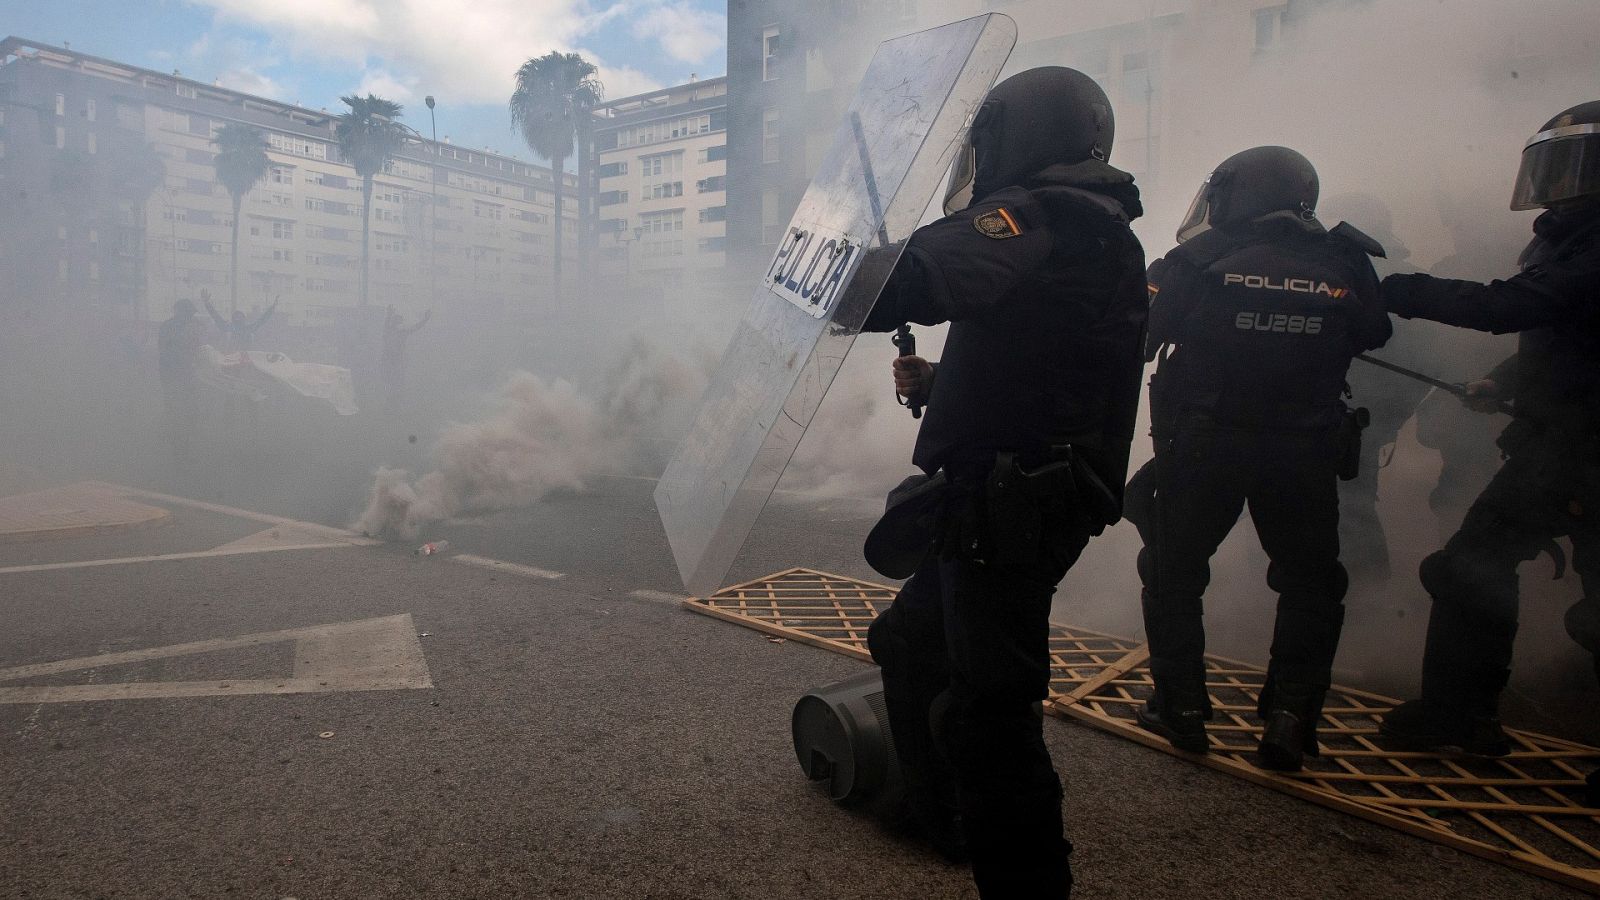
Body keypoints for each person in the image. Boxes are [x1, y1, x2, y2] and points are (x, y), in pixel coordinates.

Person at [861, 66, 1148, 897]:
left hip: (1010, 506)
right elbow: (1041, 365)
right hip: (1006, 493)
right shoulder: (1090, 229)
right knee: (909, 643)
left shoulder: (1049, 213)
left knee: (989, 715)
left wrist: (850, 263)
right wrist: (941, 381)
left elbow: (907, 281)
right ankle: (944, 813)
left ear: (1016, 138)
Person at [1131, 146, 1391, 772]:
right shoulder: (1345, 257)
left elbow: (1138, 335)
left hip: (1205, 447)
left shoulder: (1197, 258)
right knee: (1311, 583)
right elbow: (1373, 331)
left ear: (1233, 196)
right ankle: (1291, 718)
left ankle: (1182, 708)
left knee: (1173, 570)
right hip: (1303, 451)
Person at [1376, 101, 1600, 762]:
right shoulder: (1577, 242)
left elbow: (1513, 305)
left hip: (1586, 453)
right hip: (1558, 447)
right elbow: (1566, 332)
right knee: (1469, 567)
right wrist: (1503, 382)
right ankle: (1460, 716)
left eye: (1577, 167)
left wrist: (1401, 289)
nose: (1561, 184)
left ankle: (1460, 714)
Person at [156, 298, 204, 460]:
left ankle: (182, 437)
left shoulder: (190, 327)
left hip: (185, 371)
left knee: (188, 406)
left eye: (191, 313)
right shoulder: (169, 327)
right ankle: (176, 439)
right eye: (188, 313)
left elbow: (196, 347)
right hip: (172, 372)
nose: (190, 316)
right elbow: (166, 349)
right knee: (175, 406)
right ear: (178, 311)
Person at [381, 306, 431, 414]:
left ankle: (394, 404)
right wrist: (389, 313)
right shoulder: (389, 331)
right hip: (389, 360)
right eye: (395, 321)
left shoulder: (400, 333)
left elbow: (415, 327)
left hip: (395, 360)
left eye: (397, 321)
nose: (395, 323)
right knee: (390, 382)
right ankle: (391, 403)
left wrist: (425, 319)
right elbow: (387, 322)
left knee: (396, 382)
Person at [202, 290, 278, 353]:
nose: (238, 318)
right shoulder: (228, 327)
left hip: (244, 358)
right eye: (236, 316)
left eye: (240, 316)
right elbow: (216, 316)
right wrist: (207, 304)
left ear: (243, 318)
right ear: (233, 318)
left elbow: (262, 319)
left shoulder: (248, 328)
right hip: (230, 358)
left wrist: (272, 307)